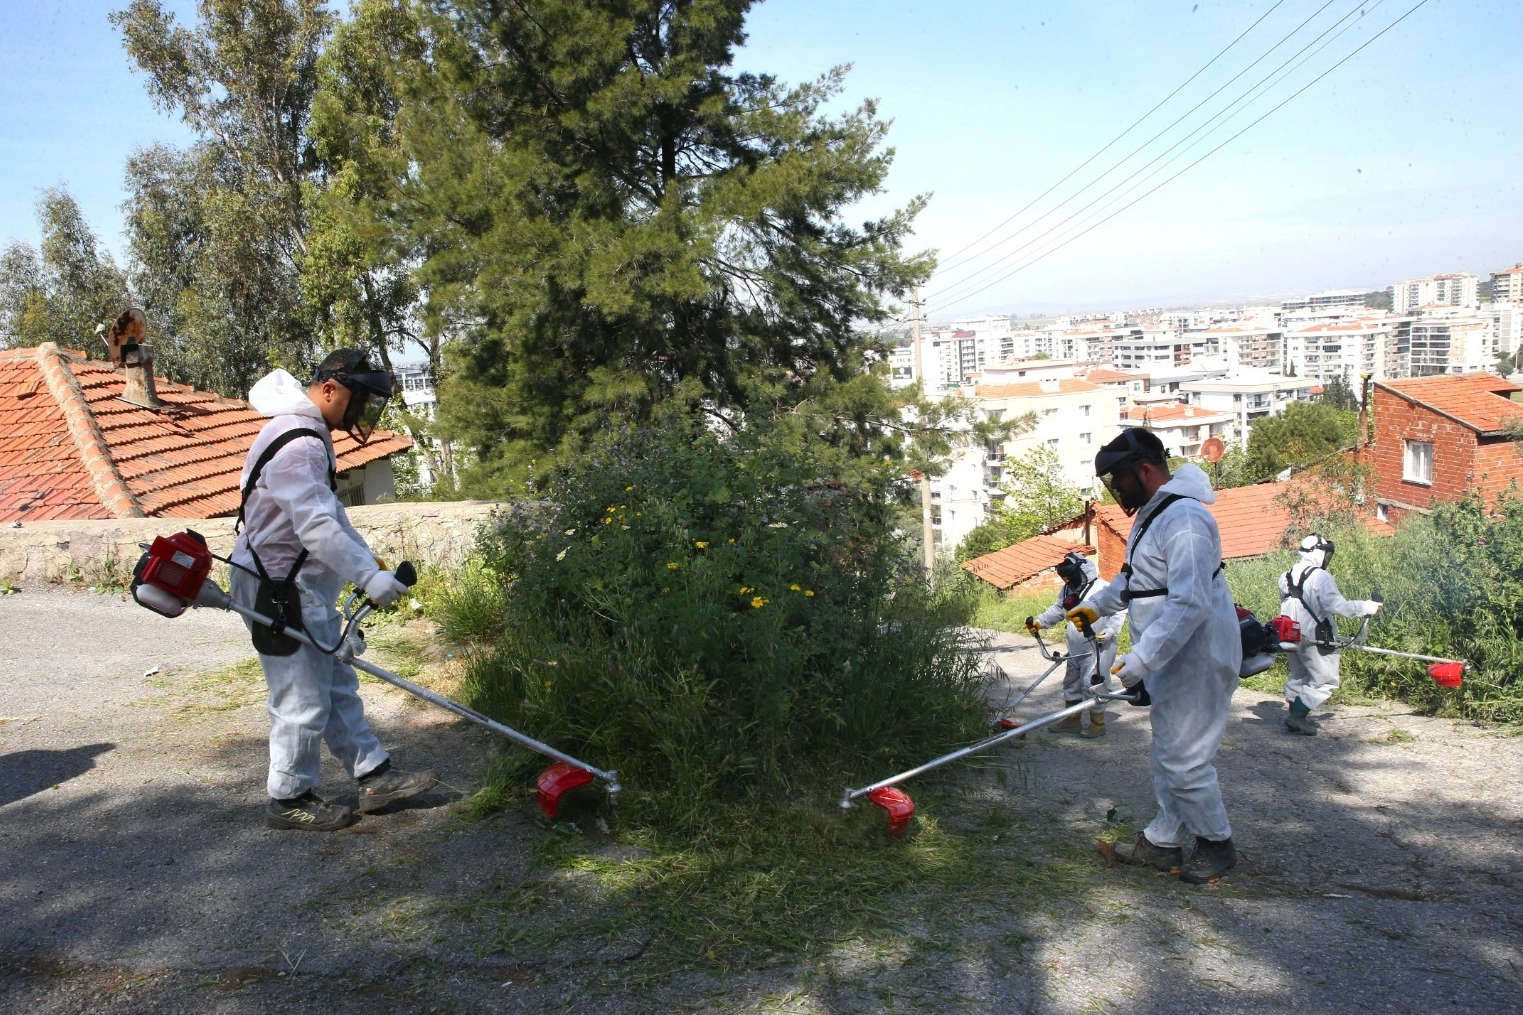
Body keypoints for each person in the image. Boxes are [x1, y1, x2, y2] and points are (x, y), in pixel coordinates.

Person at [232, 350, 437, 831]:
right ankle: (289, 798)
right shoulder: (299, 443)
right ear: (330, 390)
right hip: (278, 586)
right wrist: (368, 577)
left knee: (336, 681)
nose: (362, 414)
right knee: (301, 695)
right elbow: (316, 525)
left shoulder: (303, 433)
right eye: (360, 402)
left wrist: (368, 564)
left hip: (294, 583)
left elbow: (331, 518)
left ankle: (373, 775)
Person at [1066, 428, 1242, 885]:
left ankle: (1217, 845)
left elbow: (1188, 601)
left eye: (1119, 479)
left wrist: (1140, 660)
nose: (1116, 489)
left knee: (1185, 760)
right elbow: (1134, 580)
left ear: (1145, 469)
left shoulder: (1185, 520)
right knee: (1168, 754)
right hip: (1169, 657)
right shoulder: (1153, 515)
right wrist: (1096, 606)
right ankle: (1162, 842)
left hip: (1198, 656)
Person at [1278, 533, 1381, 736]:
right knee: (1325, 679)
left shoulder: (1286, 575)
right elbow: (1338, 606)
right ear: (1316, 552)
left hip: (1290, 633)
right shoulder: (1320, 576)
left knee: (1299, 675)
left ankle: (1295, 714)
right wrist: (1365, 607)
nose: (1325, 557)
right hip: (1316, 636)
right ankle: (1297, 717)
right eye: (1324, 553)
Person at [1026, 553, 1126, 739]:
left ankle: (1098, 723)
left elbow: (1119, 611)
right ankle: (1072, 719)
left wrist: (1111, 630)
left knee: (1095, 683)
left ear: (1081, 571)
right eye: (1064, 577)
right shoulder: (1068, 590)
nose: (1066, 580)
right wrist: (1040, 622)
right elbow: (1058, 609)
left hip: (1099, 646)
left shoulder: (1103, 587)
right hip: (1076, 646)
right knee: (1071, 681)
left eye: (1069, 576)